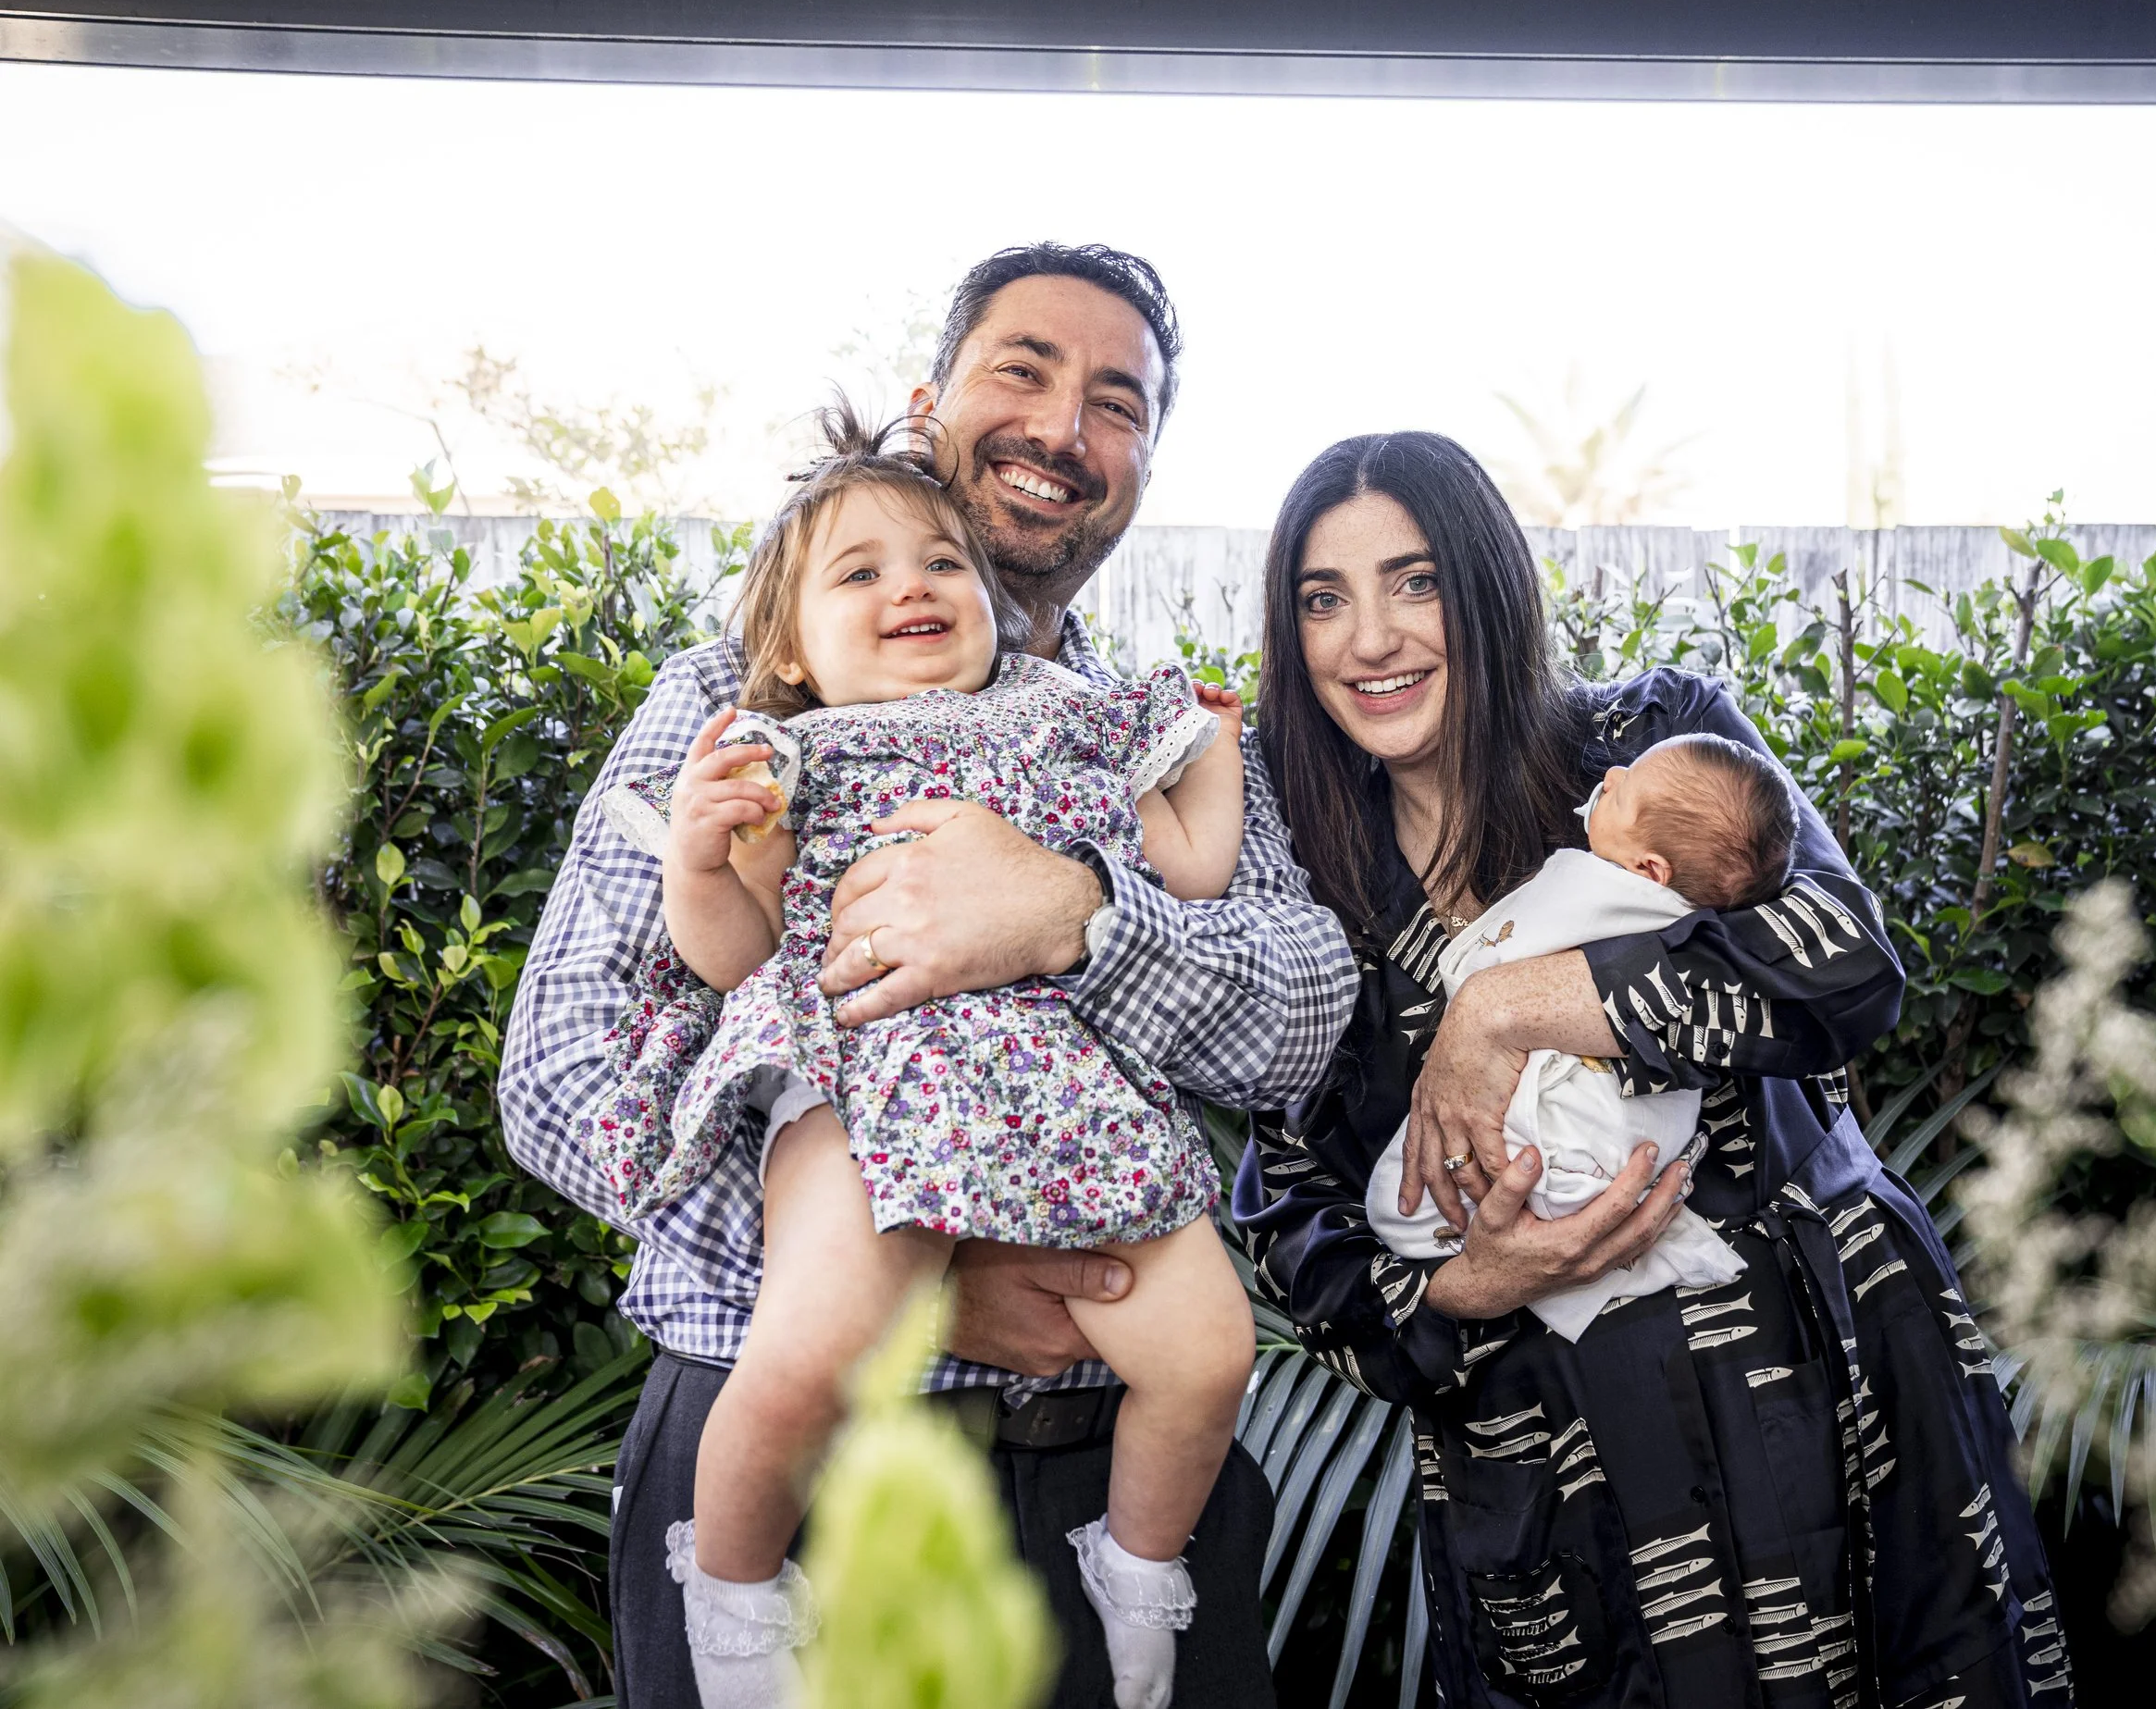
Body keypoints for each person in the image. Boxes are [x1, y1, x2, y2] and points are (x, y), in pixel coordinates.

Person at [501, 245, 1356, 1709]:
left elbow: (1302, 1006)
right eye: (1022, 369)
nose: (1062, 427)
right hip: (798, 1457)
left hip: (1108, 1462)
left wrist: (1072, 916)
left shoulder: (1131, 723)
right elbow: (563, 1076)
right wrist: (913, 1261)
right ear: (930, 402)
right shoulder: (740, 708)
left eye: (1116, 400)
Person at [1236, 431, 2075, 1707]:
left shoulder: (1651, 740)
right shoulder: (1303, 873)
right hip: (1562, 1477)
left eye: (1414, 581)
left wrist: (1505, 1007)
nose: (1370, 638)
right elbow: (1288, 1208)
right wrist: (1461, 1285)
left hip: (1832, 1388)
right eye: (1322, 596)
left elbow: (1841, 959)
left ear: (1486, 586)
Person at [586, 403, 1256, 1709]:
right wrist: (695, 852)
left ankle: (1136, 1561)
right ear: (787, 646)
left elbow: (1196, 866)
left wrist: (1216, 753)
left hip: (1061, 1089)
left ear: (995, 605)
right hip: (862, 1083)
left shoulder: (1070, 719)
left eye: (942, 563)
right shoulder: (782, 749)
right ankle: (731, 1594)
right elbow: (736, 953)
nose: (913, 586)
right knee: (810, 1344)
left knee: (1208, 1348)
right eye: (862, 572)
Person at [1363, 735, 1798, 1341]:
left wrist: (1483, 1002)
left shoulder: (1603, 890)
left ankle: (1539, 1208)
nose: (1613, 773)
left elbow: (1483, 968)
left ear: (1650, 871)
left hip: (1587, 1151)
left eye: (1626, 794)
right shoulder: (1703, 926)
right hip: (1646, 1146)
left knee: (1450, 1174)